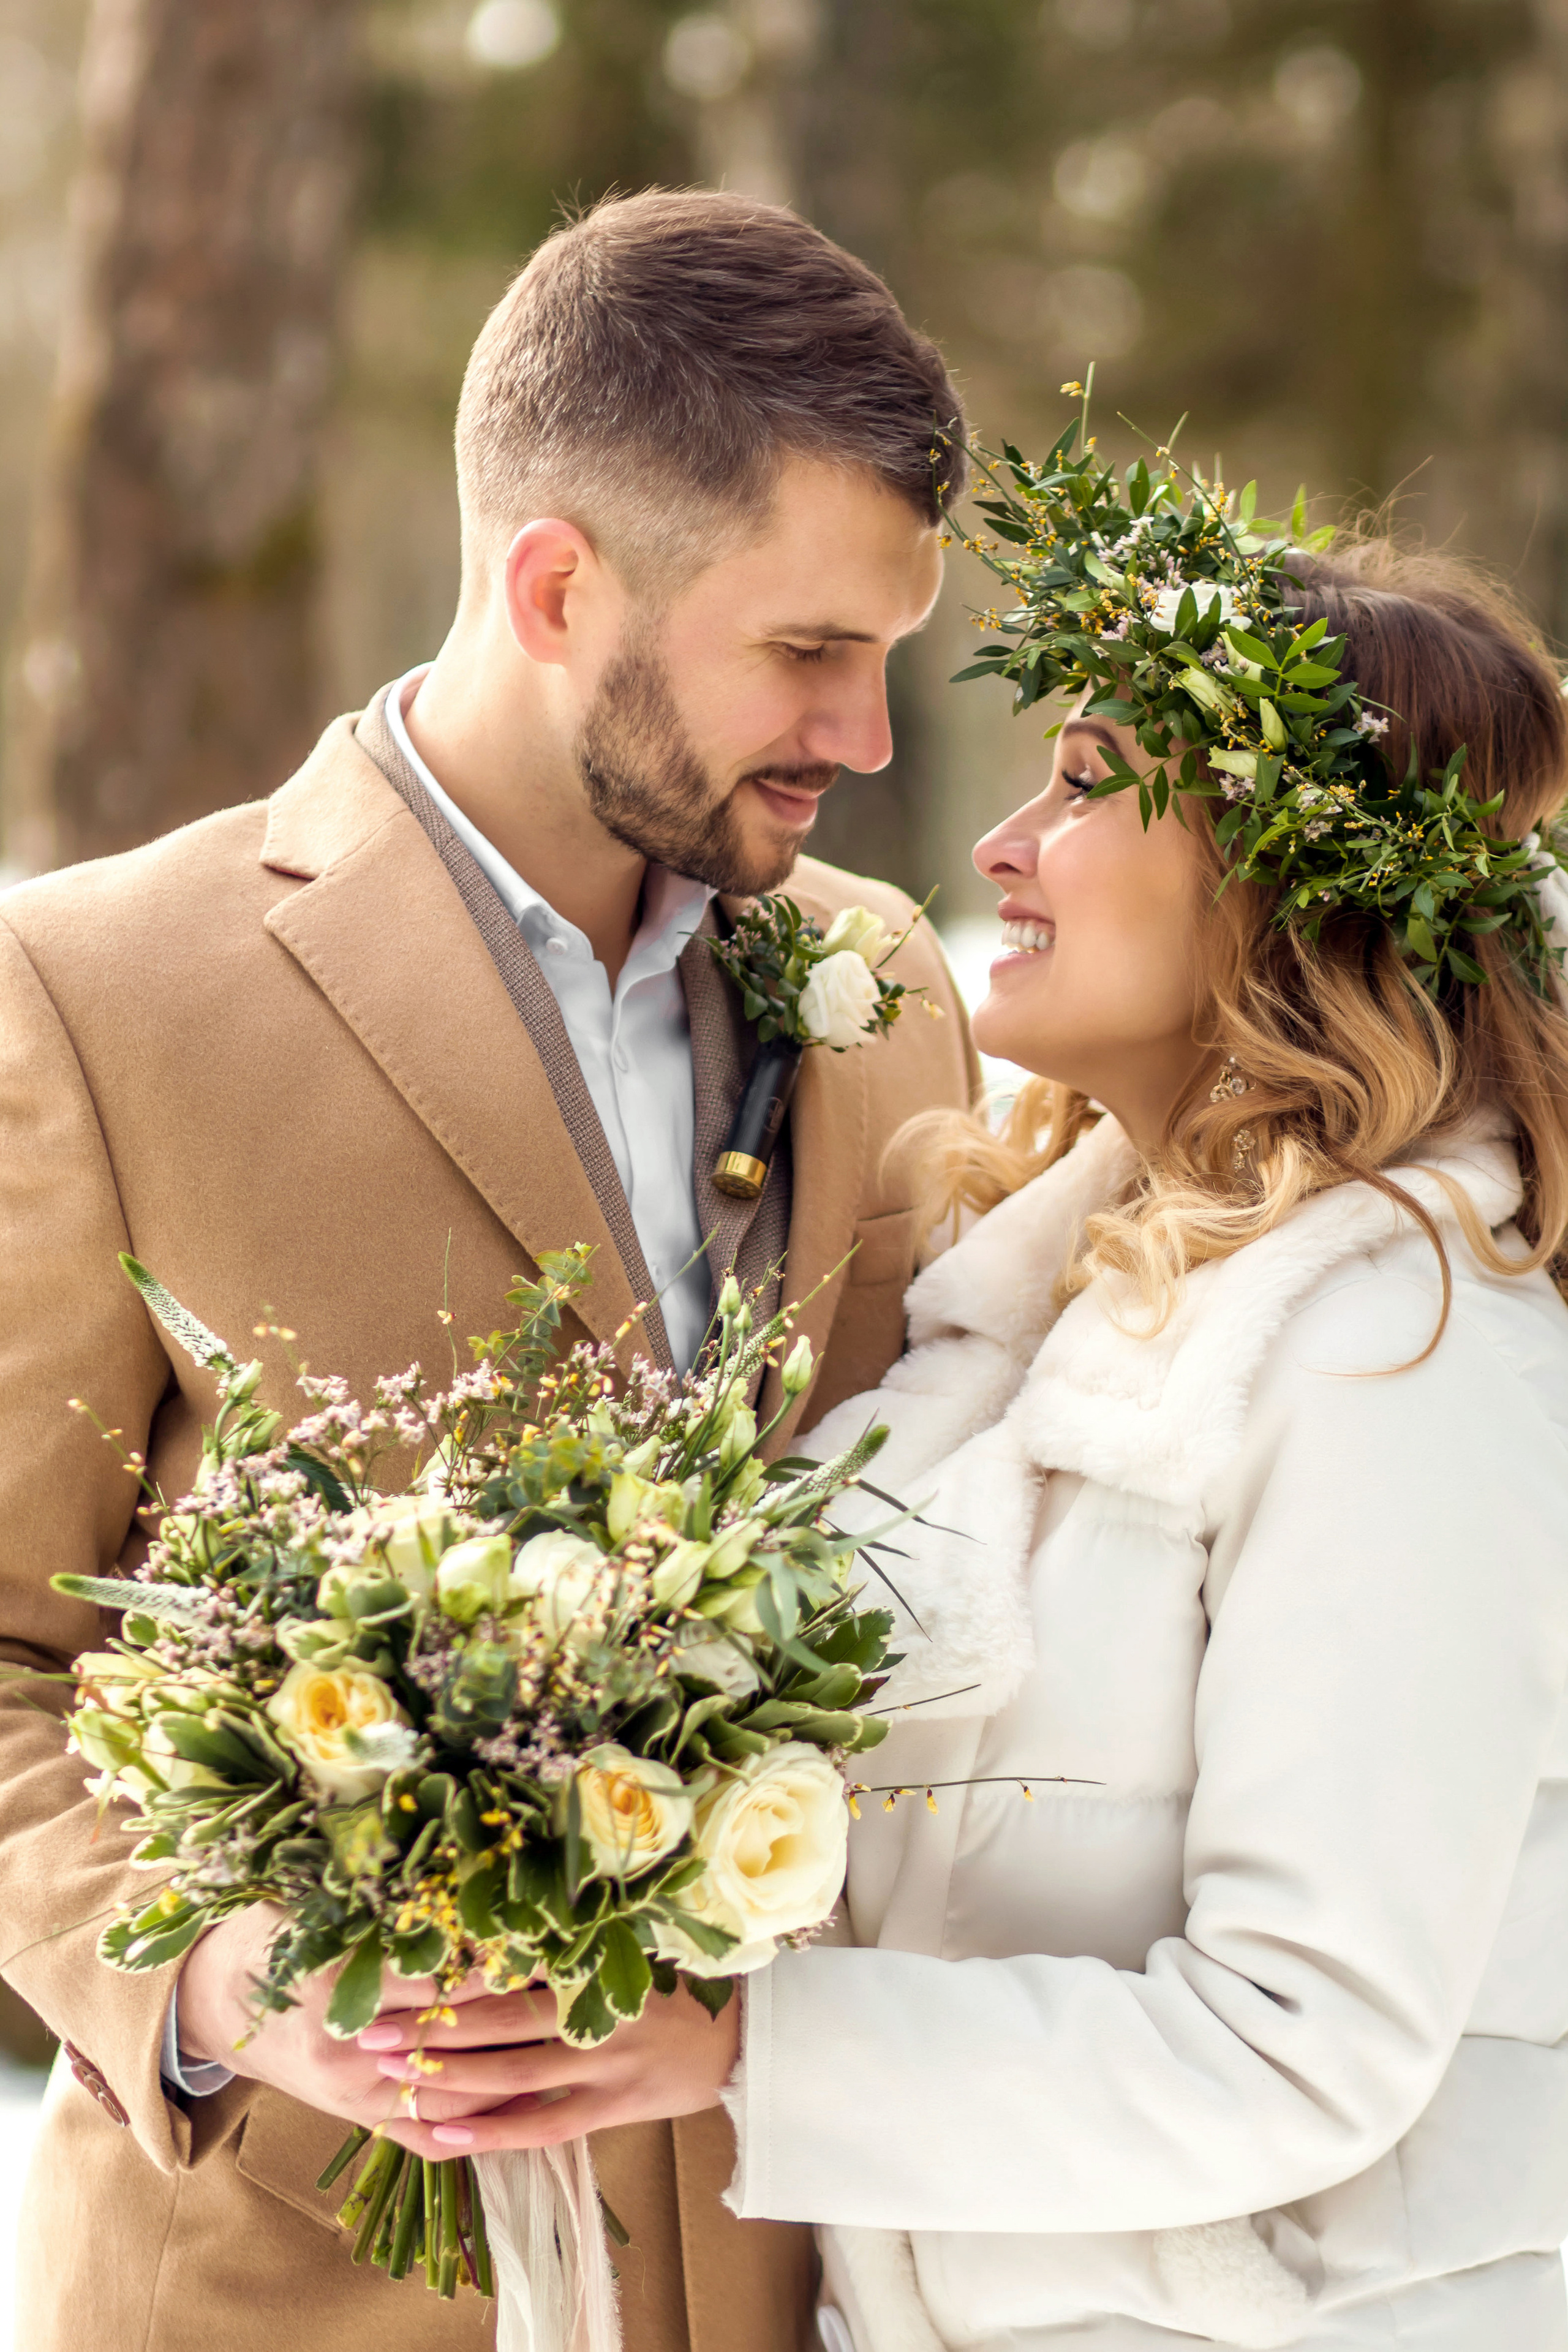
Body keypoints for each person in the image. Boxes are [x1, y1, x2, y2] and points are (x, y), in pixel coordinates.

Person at [372, 514, 1568, 2351]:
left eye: (1087, 785)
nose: (1004, 843)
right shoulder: (1021, 1313)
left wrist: (743, 2047)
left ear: (1280, 886)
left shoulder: (1400, 1351)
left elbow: (1305, 2043)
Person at [0, 188, 978, 2352]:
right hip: (282, 2293)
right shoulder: (93, 991)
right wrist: (213, 1987)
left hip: (812, 2276)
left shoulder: (895, 982)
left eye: (886, 657)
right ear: (556, 588)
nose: (869, 736)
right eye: (808, 652)